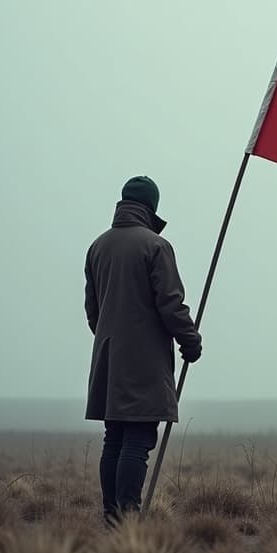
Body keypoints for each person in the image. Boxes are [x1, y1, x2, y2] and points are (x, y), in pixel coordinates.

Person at [84, 176, 202, 524]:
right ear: (152, 206)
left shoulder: (98, 247)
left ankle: (111, 516)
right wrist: (189, 340)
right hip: (144, 361)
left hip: (108, 357)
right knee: (137, 438)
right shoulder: (156, 246)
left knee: (115, 438)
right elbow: (171, 303)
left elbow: (93, 312)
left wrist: (112, 339)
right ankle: (126, 517)